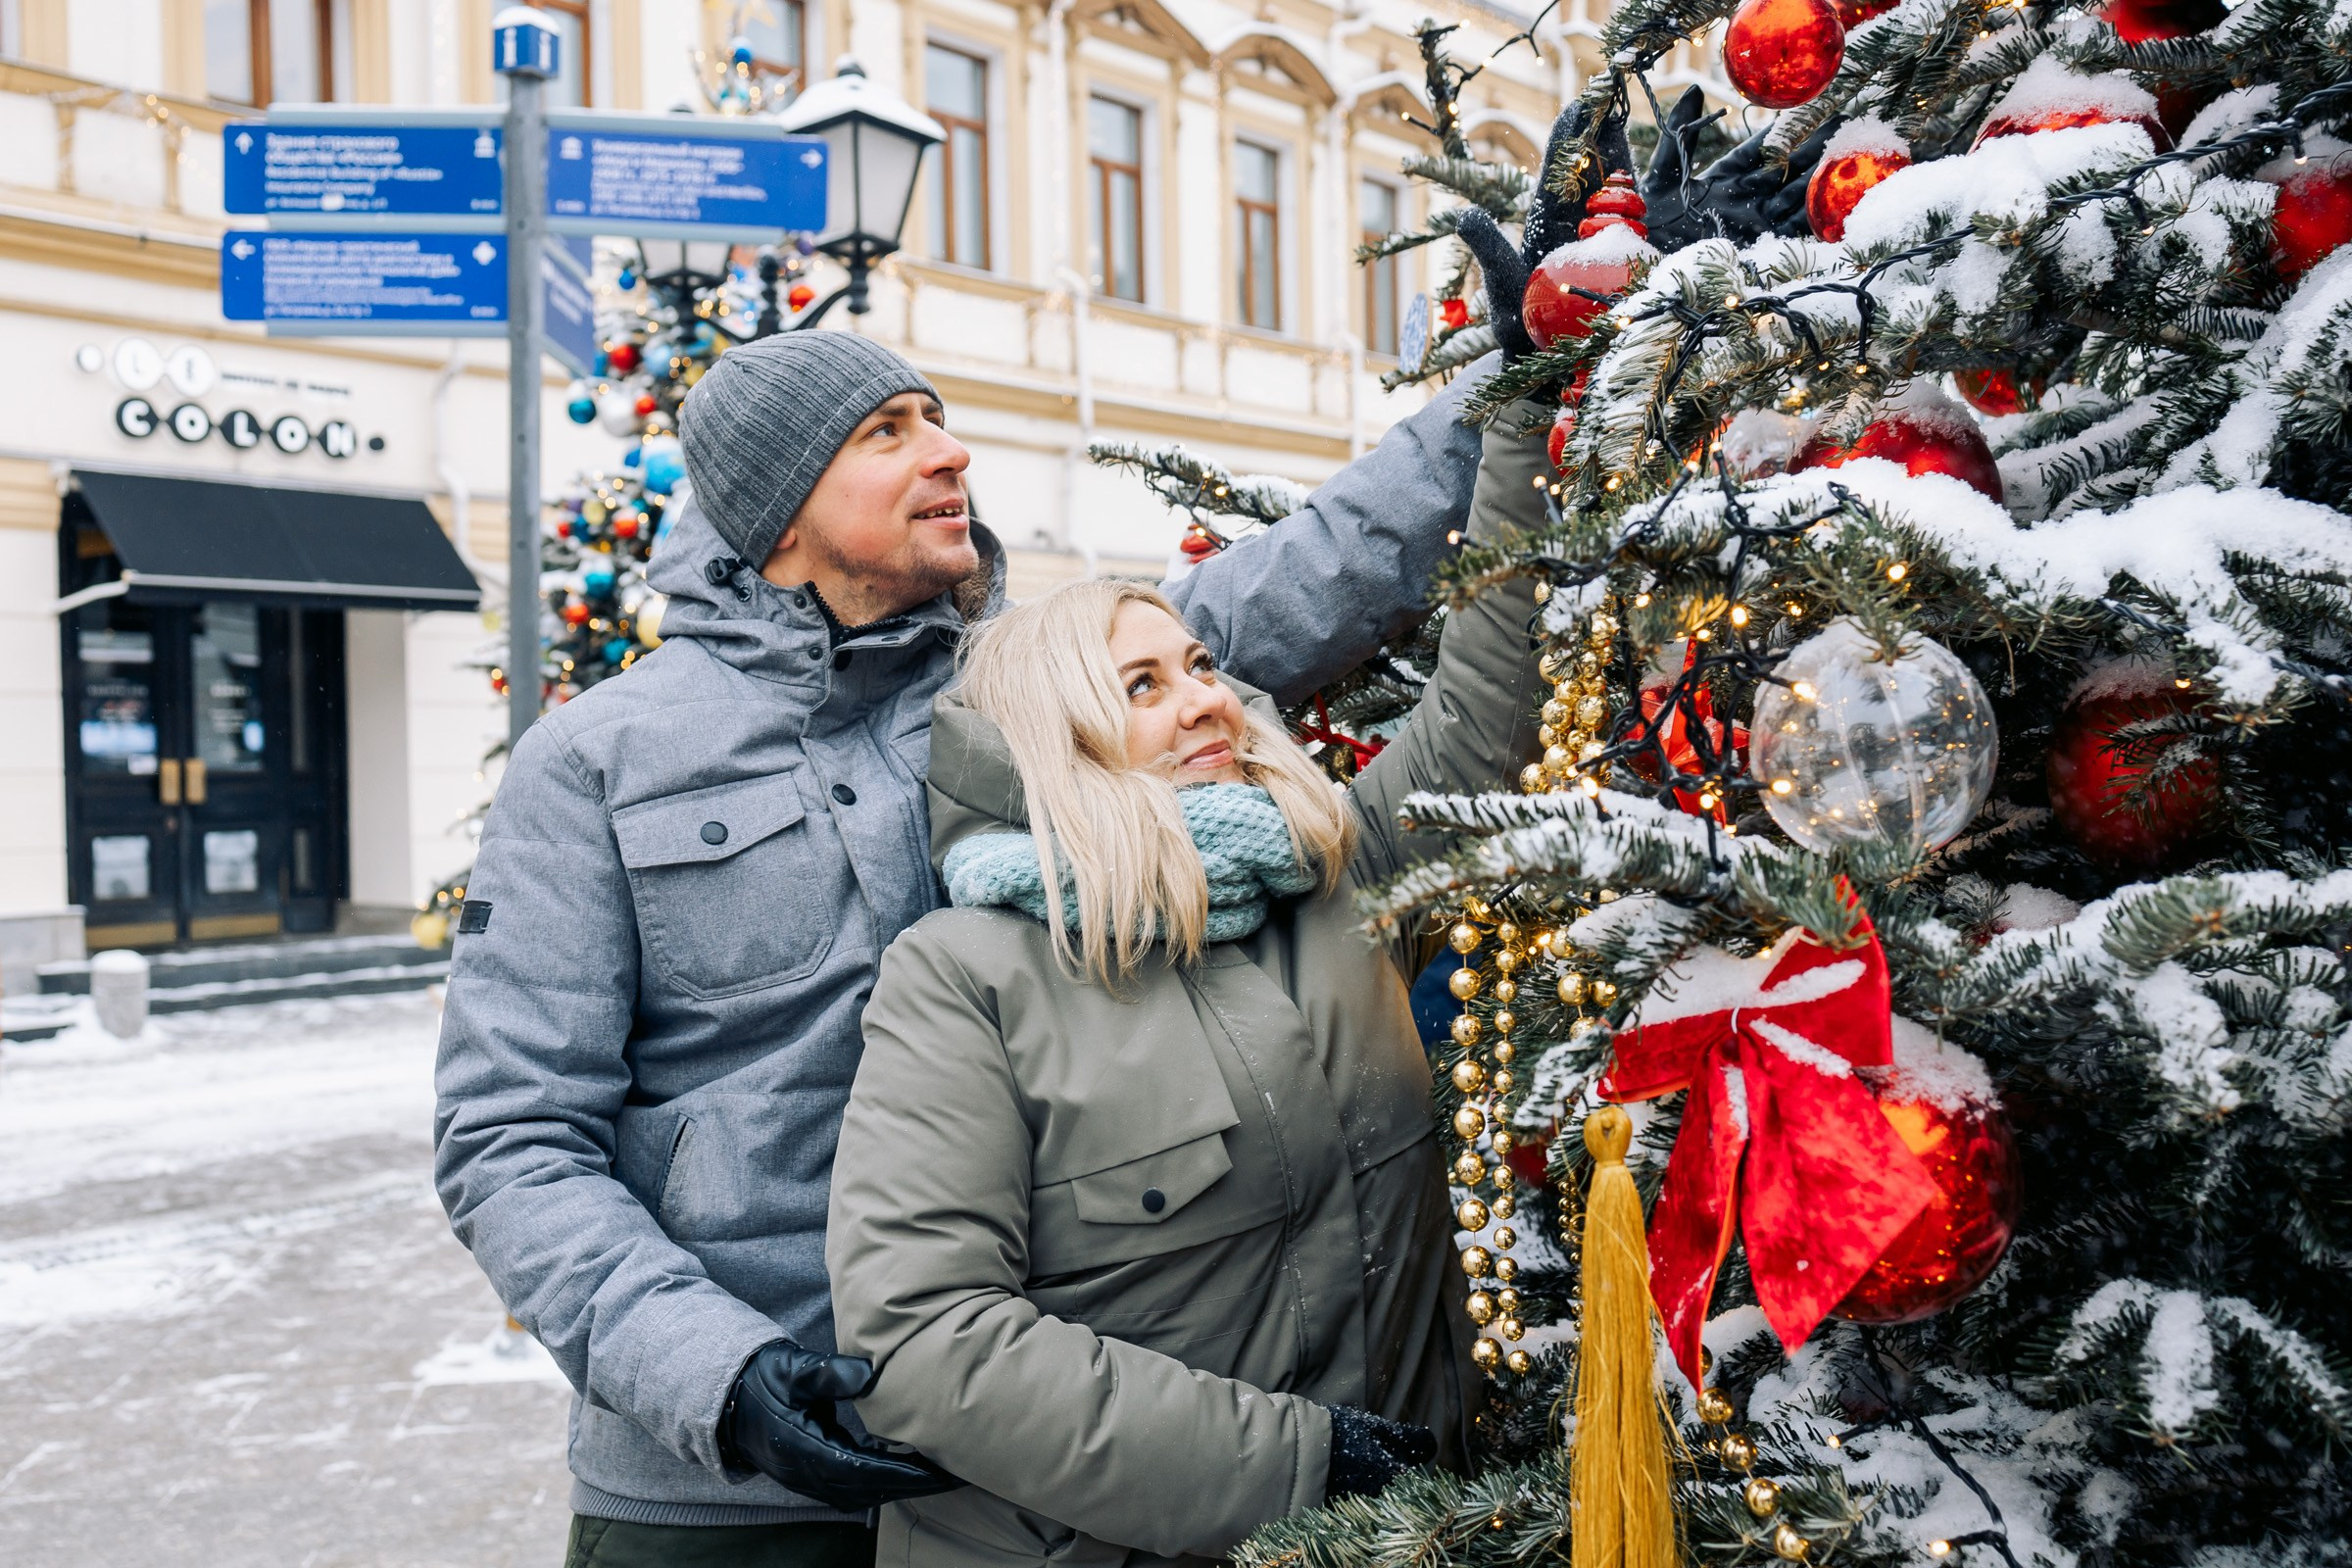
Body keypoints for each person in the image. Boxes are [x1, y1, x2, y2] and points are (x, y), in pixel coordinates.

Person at [432, 329, 1501, 1568]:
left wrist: (1530, 353)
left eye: (935, 417)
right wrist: (717, 1375)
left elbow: (1329, 559)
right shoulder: (596, 763)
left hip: (1040, 1469)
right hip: (731, 1498)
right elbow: (510, 1136)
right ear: (779, 509)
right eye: (887, 430)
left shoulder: (1034, 693)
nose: (951, 452)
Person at [822, 395, 1551, 1568]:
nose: (1209, 698)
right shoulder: (967, 981)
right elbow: (927, 1341)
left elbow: (1485, 711)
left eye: (1201, 666)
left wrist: (1525, 404)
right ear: (1060, 747)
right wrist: (1302, 1466)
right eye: (1144, 686)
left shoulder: (1334, 882)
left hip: (1413, 1537)